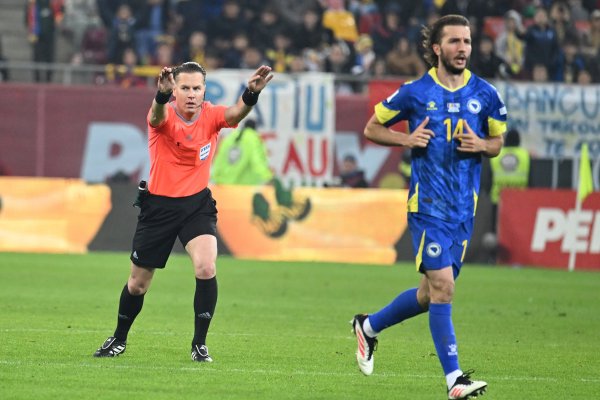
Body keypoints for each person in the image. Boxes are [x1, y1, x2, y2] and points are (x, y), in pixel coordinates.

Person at [351, 15, 506, 400]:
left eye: (466, 41)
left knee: (428, 294)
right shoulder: (415, 92)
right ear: (437, 48)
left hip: (463, 212)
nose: (463, 48)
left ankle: (367, 327)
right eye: (454, 41)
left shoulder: (486, 93)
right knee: (444, 286)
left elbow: (497, 143)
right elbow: (372, 128)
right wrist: (405, 140)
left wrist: (481, 145)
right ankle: (455, 380)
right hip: (428, 207)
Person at [93, 62, 273, 362]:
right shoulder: (163, 115)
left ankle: (199, 344)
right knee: (138, 284)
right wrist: (161, 96)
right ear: (174, 90)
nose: (191, 94)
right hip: (158, 208)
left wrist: (251, 94)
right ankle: (119, 338)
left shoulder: (211, 115)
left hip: (196, 206)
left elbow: (235, 113)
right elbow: (156, 116)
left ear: (204, 91)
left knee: (206, 268)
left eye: (196, 88)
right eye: (185, 88)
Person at [211, 119, 274, 185]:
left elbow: (219, 159)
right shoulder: (253, 139)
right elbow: (257, 161)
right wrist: (268, 177)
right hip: (242, 186)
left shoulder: (230, 137)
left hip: (222, 184)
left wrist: (215, 177)